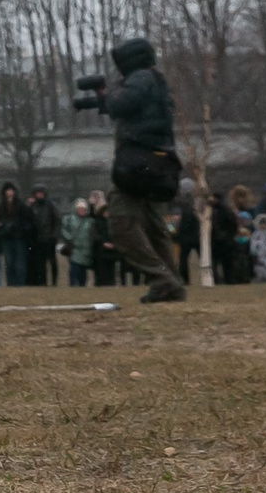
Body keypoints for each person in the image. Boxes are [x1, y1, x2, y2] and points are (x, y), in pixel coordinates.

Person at [70, 37, 186, 302]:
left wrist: (106, 93)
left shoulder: (141, 78)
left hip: (138, 165)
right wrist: (98, 100)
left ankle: (162, 279)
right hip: (158, 163)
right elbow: (129, 106)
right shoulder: (154, 79)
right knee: (155, 227)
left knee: (121, 223)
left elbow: (121, 104)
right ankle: (171, 284)